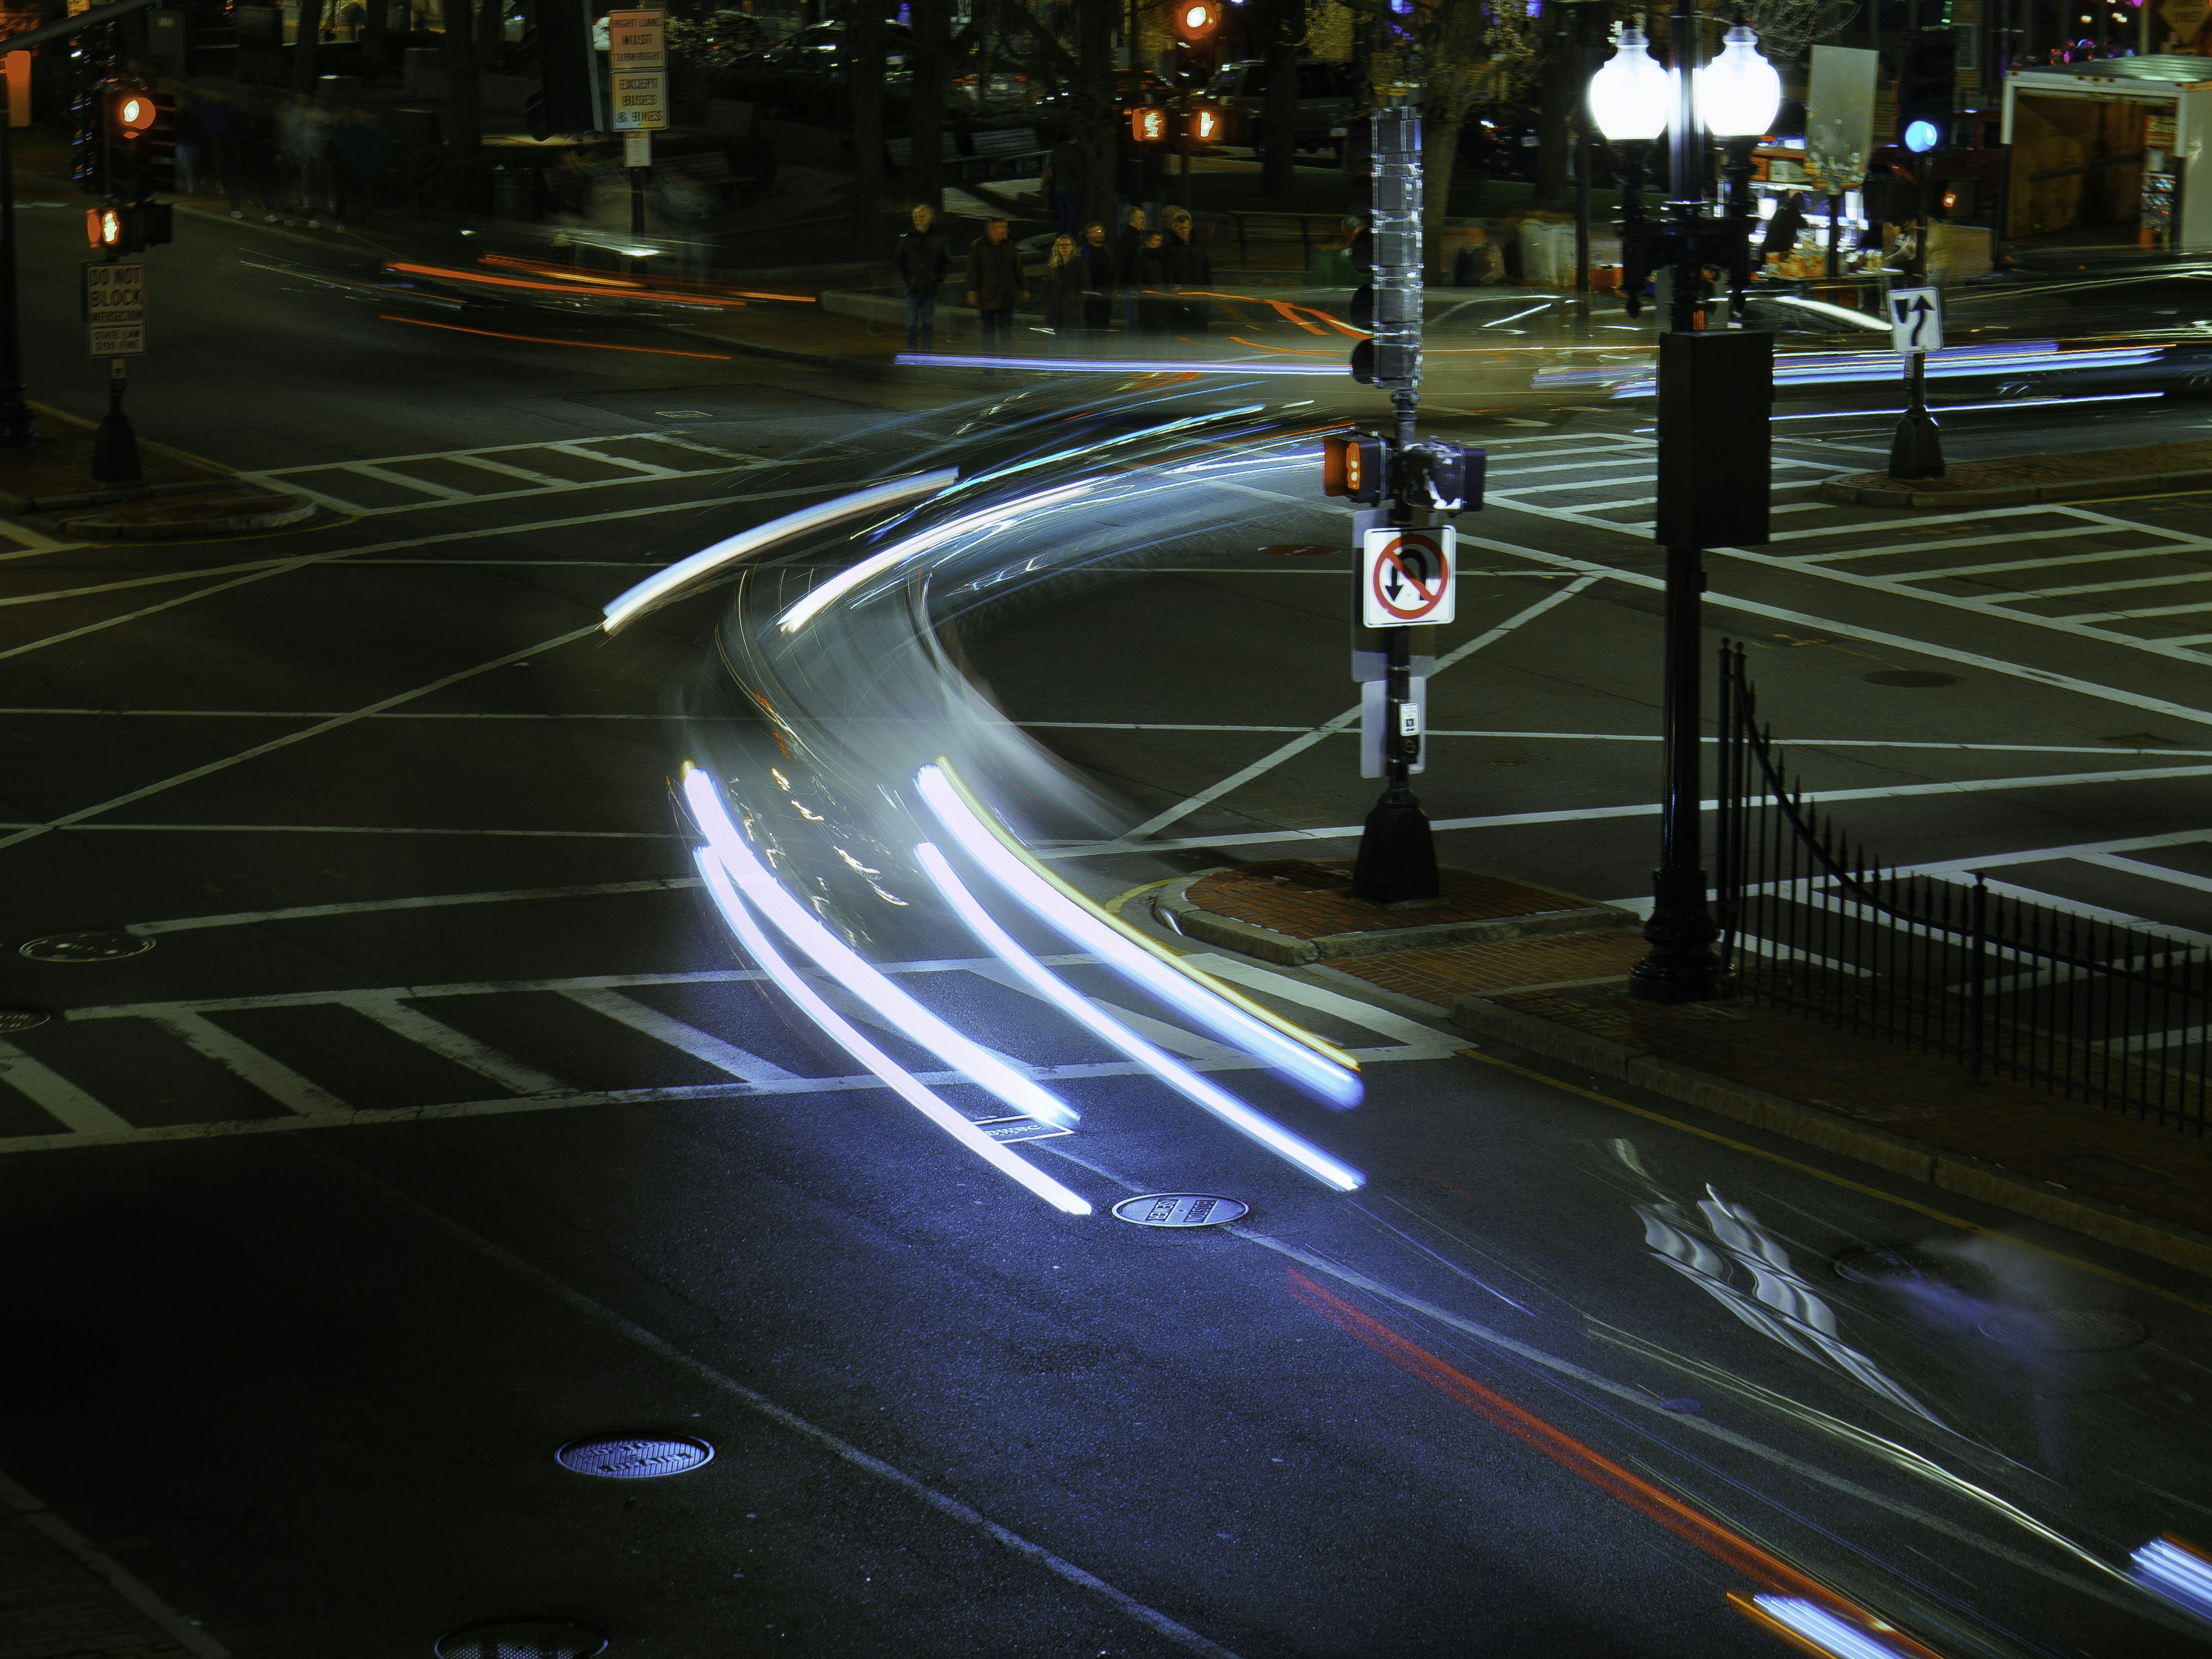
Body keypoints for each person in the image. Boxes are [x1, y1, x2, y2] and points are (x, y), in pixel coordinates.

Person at [964, 215, 1027, 356]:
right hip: (987, 298)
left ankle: (1007, 366)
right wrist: (971, 290)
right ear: (993, 229)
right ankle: (989, 366)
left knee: (1006, 332)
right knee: (988, 332)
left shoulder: (1009, 245)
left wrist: (1023, 288)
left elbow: (1017, 268)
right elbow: (972, 270)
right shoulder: (979, 246)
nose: (1007, 230)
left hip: (1006, 298)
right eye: (1004, 227)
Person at [895, 202, 950, 352]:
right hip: (913, 289)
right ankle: (912, 353)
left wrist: (938, 277)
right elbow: (900, 261)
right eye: (917, 217)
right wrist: (908, 278)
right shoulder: (906, 239)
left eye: (922, 216)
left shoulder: (940, 238)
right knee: (911, 323)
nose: (919, 220)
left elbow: (947, 260)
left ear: (930, 219)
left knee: (928, 323)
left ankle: (927, 353)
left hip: (930, 288)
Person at [1161, 208, 1212, 333]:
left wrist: (1208, 292)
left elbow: (1206, 270)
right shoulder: (1171, 248)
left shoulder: (1198, 246)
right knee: (1180, 331)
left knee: (1199, 332)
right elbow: (1168, 271)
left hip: (1199, 297)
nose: (1184, 231)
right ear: (1175, 229)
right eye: (1180, 228)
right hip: (1180, 298)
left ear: (1190, 228)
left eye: (1186, 228)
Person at [1041, 234, 1089, 355]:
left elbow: (1086, 286)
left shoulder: (1078, 263)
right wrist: (1048, 301)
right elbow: (1048, 286)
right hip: (1055, 308)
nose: (1064, 248)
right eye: (1061, 245)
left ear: (1072, 247)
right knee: (1053, 340)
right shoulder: (1053, 264)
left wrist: (1076, 300)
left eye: (1067, 245)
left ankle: (1071, 368)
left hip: (1071, 308)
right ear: (1057, 247)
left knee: (1071, 339)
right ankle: (1054, 367)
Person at [1113, 205, 1147, 333]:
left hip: (1130, 285)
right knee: (1134, 323)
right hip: (1132, 287)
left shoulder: (1127, 237)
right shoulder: (1131, 239)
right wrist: (1133, 284)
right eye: (1141, 218)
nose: (1144, 221)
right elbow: (1126, 263)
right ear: (1132, 219)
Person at [1077, 220, 1116, 333]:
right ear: (1088, 235)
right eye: (1096, 232)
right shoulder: (1085, 251)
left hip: (1105, 295)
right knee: (1090, 328)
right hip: (1090, 296)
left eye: (1101, 231)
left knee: (1104, 328)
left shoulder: (1107, 250)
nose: (1101, 234)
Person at [1043, 135, 1084, 238]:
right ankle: (1073, 242)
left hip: (1059, 187)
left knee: (1063, 217)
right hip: (1072, 188)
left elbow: (1054, 169)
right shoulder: (1074, 151)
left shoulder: (1058, 149)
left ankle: (1060, 240)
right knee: (1074, 218)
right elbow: (1078, 170)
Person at [1762, 190, 1808, 267]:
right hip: (1776, 253)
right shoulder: (1792, 211)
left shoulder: (1783, 208)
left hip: (1768, 250)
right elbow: (1804, 225)